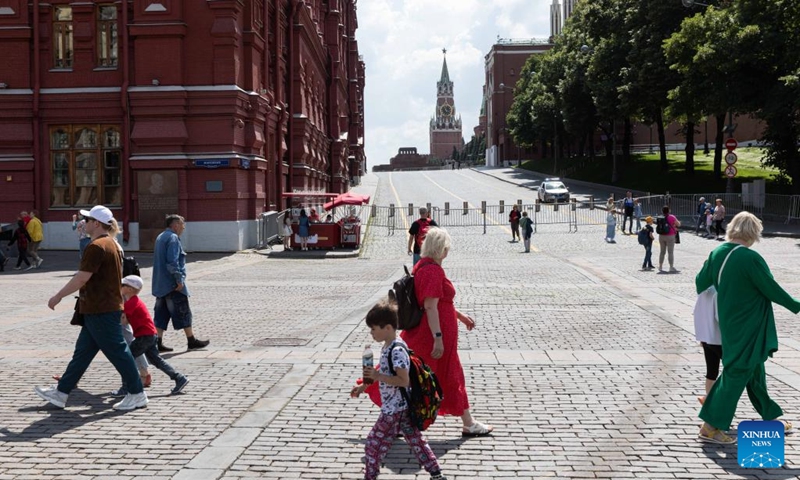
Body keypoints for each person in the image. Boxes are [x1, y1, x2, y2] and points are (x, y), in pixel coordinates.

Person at [695, 211, 800, 444]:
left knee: (754, 372)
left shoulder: (716, 252)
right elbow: (770, 288)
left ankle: (770, 417)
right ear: (753, 233)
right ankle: (710, 426)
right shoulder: (750, 258)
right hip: (749, 324)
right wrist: (796, 305)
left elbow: (700, 282)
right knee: (738, 371)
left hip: (728, 321)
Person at [35, 205, 148, 411]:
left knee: (119, 352)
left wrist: (58, 296)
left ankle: (137, 393)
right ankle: (61, 393)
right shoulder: (111, 244)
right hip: (100, 308)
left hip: (101, 309)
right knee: (82, 354)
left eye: (86, 220)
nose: (83, 223)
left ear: (96, 223)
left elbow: (81, 277)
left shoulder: (96, 246)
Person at [401, 227, 493, 437]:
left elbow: (439, 302)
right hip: (435, 333)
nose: (447, 252)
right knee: (448, 376)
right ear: (441, 249)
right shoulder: (433, 270)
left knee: (419, 376)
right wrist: (438, 338)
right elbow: (431, 306)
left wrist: (459, 316)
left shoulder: (423, 266)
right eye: (446, 248)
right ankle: (468, 423)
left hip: (430, 330)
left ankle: (401, 420)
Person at [351, 300, 447, 480]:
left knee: (373, 444)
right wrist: (364, 386)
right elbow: (383, 370)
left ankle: (370, 476)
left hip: (393, 410)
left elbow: (403, 381)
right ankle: (436, 473)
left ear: (387, 327)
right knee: (416, 441)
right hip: (401, 408)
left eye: (373, 329)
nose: (371, 333)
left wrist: (378, 378)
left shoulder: (396, 350)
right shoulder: (390, 344)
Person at [120, 275, 189, 395]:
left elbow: (123, 322)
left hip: (144, 337)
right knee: (157, 360)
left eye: (123, 285)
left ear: (130, 289)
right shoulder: (134, 301)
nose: (120, 287)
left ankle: (126, 387)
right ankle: (179, 378)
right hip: (151, 335)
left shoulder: (130, 303)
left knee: (126, 359)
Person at [152, 214, 210, 352]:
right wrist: (178, 279)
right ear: (175, 225)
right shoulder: (172, 238)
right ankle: (191, 341)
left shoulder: (161, 236)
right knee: (183, 311)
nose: (183, 227)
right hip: (172, 285)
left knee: (161, 314)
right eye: (182, 224)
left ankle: (158, 342)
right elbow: (172, 261)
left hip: (161, 285)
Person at [658, 205, 680, 273]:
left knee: (662, 252)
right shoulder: (672, 217)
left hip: (661, 235)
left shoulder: (660, 217)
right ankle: (671, 267)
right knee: (670, 252)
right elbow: (678, 224)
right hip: (670, 236)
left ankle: (660, 266)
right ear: (669, 210)